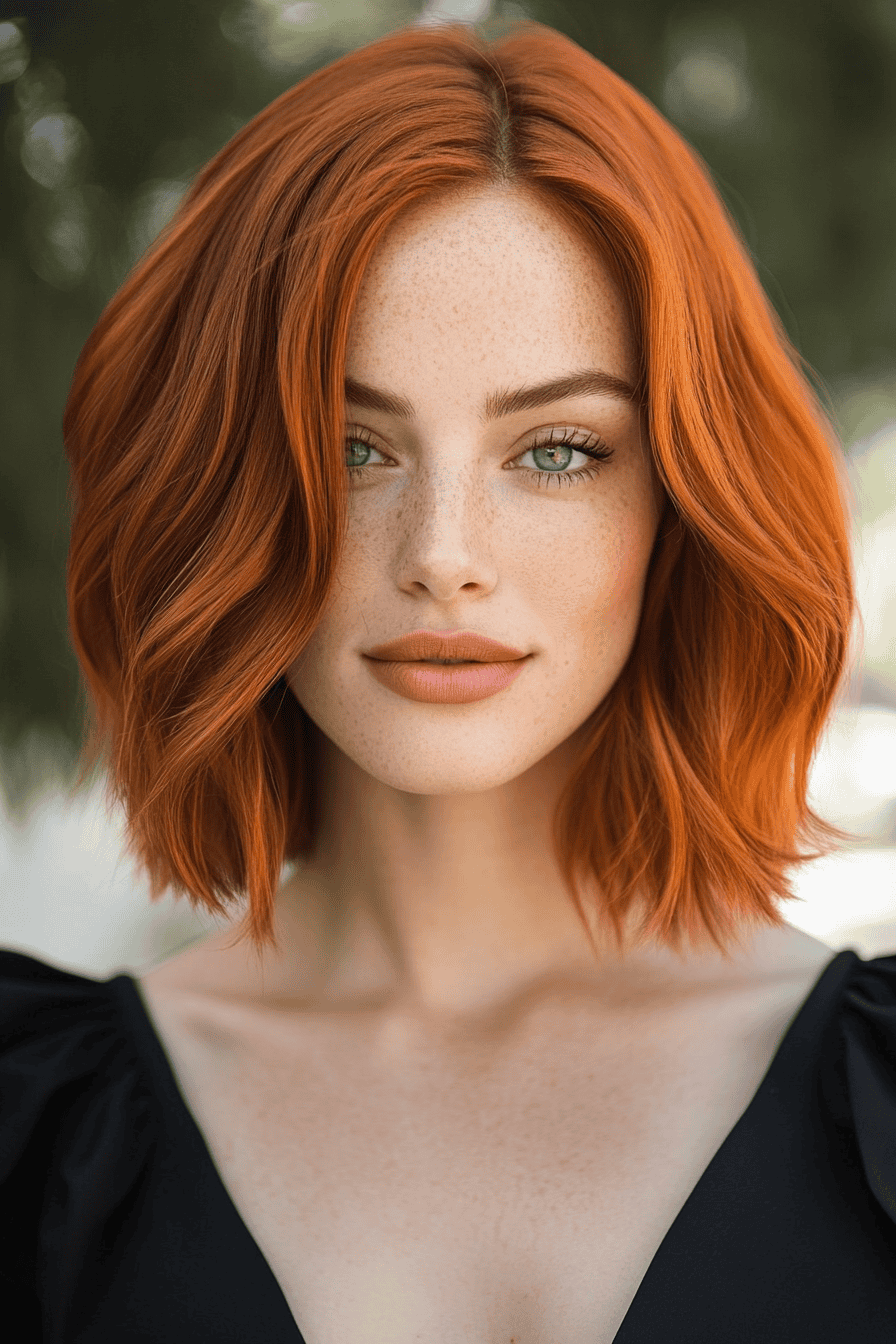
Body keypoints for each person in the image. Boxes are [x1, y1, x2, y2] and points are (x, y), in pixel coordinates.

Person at [1, 17, 894, 1343]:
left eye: (556, 452)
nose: (443, 559)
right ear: (220, 492)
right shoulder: (33, 1136)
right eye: (353, 447)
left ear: (684, 501)